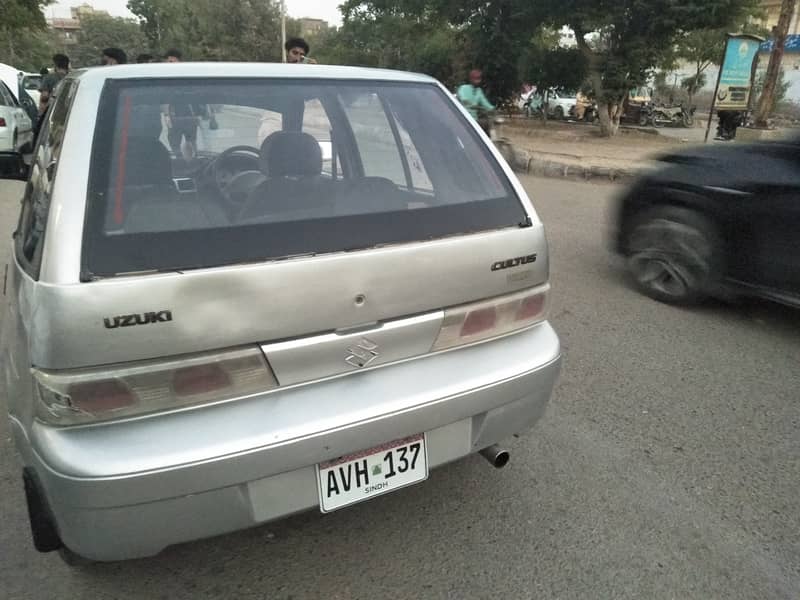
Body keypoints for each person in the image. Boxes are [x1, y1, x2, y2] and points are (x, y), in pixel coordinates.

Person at [457, 69, 495, 134]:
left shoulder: (479, 91)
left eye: (479, 79)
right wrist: (469, 103)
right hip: (462, 118)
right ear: (471, 79)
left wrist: (492, 109)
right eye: (476, 79)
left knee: (486, 124)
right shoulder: (463, 88)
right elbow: (463, 98)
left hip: (474, 119)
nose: (478, 81)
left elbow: (485, 103)